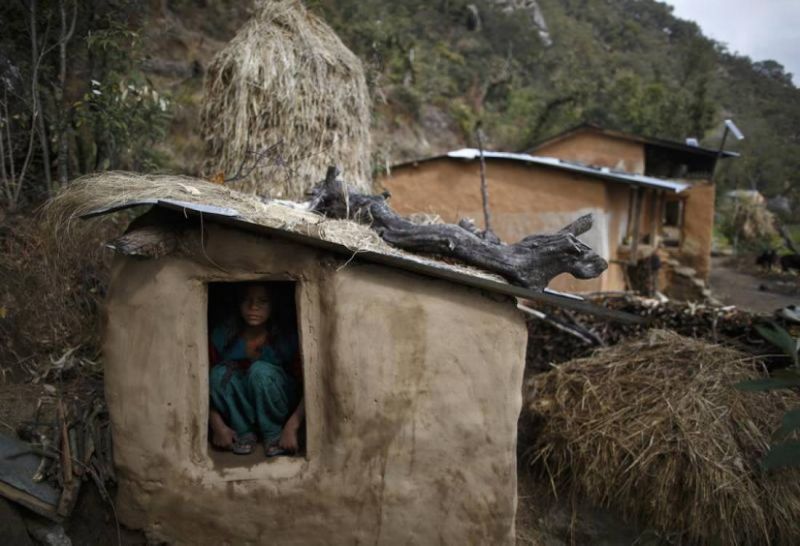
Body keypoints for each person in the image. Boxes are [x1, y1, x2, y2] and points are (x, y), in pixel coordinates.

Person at [208, 283, 304, 457]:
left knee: (260, 371)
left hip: (280, 409)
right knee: (217, 374)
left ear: (274, 305)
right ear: (238, 303)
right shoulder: (223, 335)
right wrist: (217, 425)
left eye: (263, 301)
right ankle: (244, 432)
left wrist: (292, 426)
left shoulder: (287, 338)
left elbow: (311, 387)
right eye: (247, 300)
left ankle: (273, 434)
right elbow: (198, 385)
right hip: (239, 413)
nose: (253, 307)